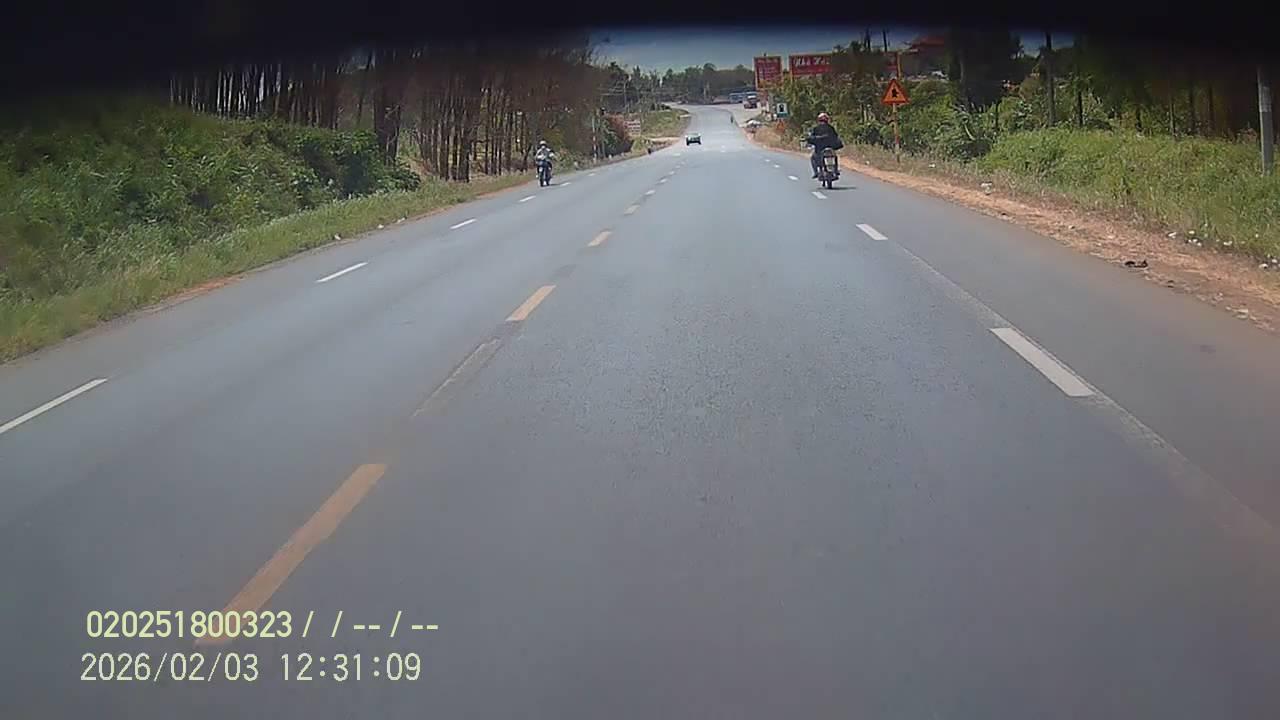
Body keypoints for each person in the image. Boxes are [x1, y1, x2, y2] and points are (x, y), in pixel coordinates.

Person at [805, 112, 843, 178]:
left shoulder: (816, 128)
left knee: (813, 158)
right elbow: (836, 137)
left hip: (820, 149)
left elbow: (811, 138)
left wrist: (811, 140)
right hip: (830, 148)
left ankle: (816, 172)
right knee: (835, 157)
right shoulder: (830, 128)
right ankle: (835, 170)